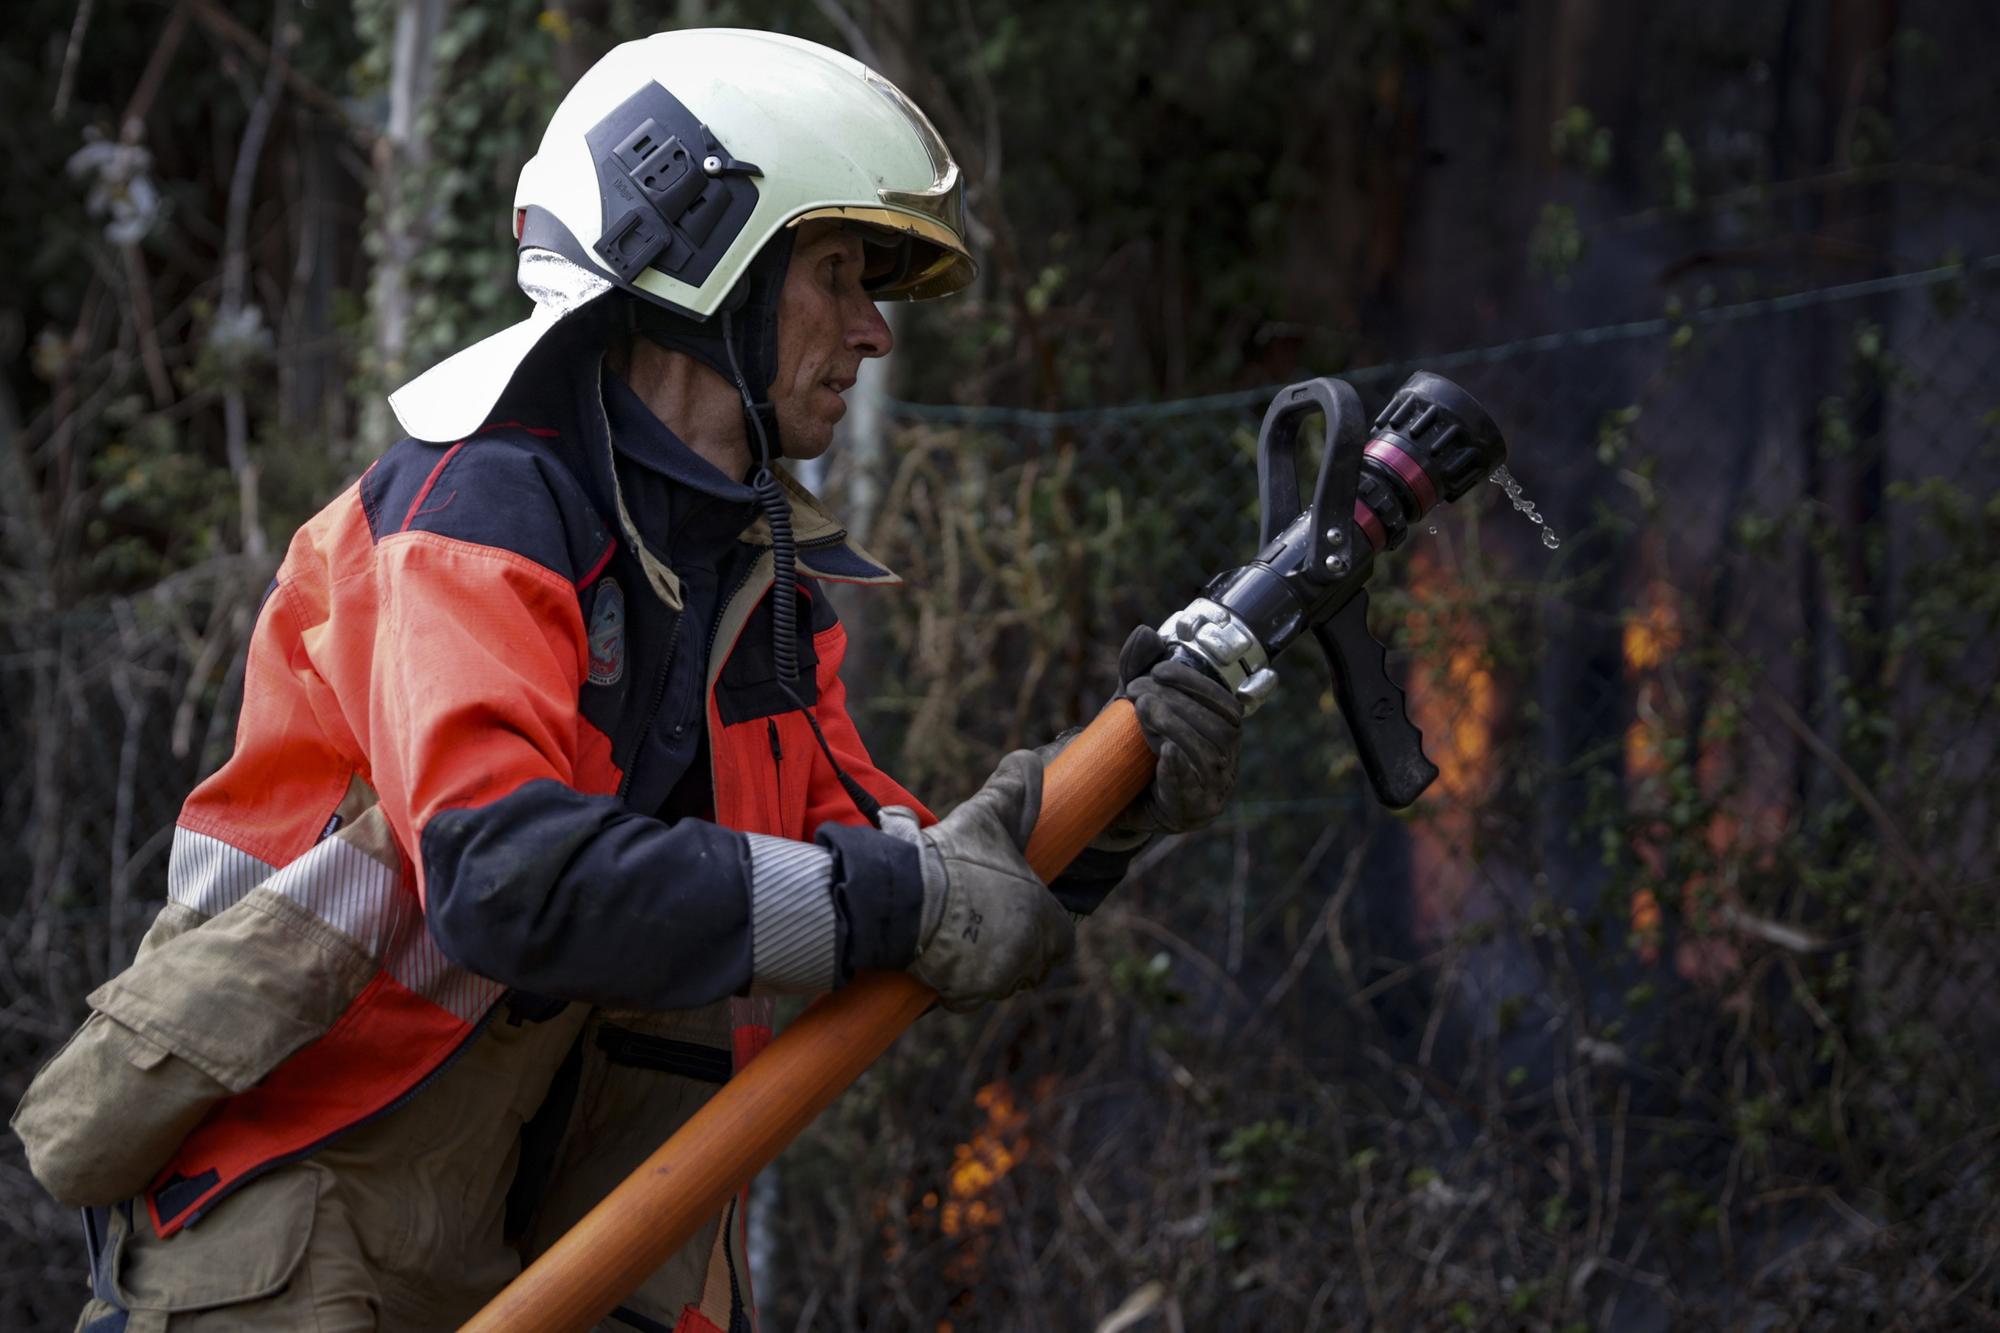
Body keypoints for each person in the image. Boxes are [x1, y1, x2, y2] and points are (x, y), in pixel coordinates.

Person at [15, 29, 1242, 1332]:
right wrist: (907, 895)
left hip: (546, 1230)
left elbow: (908, 895)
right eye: (839, 273)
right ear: (702, 251)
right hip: (298, 1197)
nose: (875, 332)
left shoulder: (746, 588)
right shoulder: (470, 506)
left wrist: (1111, 800)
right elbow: (505, 877)